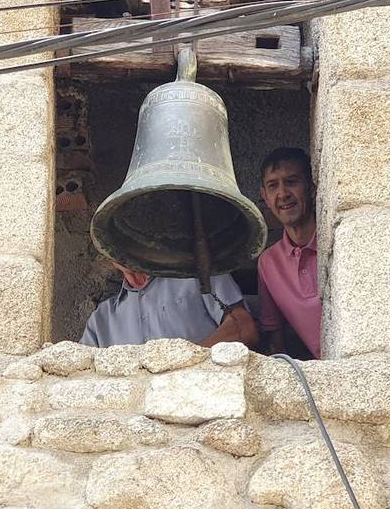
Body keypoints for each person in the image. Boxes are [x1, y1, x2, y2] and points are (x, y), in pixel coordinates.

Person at [80, 259, 259, 348]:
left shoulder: (198, 277)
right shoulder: (101, 319)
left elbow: (244, 329)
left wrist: (184, 362)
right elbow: (79, 378)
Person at [256, 147, 321, 358]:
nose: (283, 194)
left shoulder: (338, 244)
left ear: (311, 188)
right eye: (273, 186)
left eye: (292, 182)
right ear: (264, 196)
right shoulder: (268, 263)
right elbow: (276, 341)